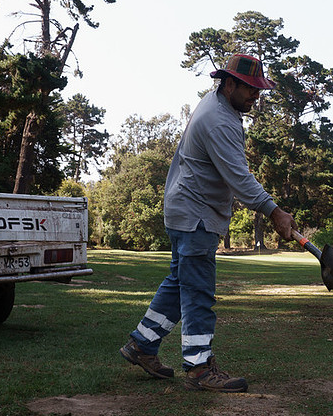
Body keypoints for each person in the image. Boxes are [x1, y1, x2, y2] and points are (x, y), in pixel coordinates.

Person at [120, 53, 294, 393]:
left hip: (186, 211)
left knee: (180, 283)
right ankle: (199, 367)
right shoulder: (219, 121)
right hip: (195, 216)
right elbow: (239, 178)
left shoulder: (218, 105)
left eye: (258, 89)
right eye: (249, 88)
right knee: (198, 291)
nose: (255, 95)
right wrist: (274, 211)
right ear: (228, 84)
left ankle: (142, 344)